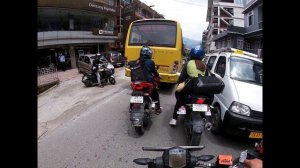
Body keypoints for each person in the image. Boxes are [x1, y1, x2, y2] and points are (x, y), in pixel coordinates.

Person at [169, 46, 208, 126]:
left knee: (179, 96)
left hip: (190, 87)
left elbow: (182, 77)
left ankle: (174, 119)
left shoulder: (188, 63)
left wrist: (179, 83)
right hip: (202, 88)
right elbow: (206, 78)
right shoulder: (204, 65)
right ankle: (203, 117)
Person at [138, 46, 162, 114]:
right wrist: (158, 76)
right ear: (148, 54)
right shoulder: (151, 62)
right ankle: (157, 109)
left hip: (137, 82)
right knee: (155, 94)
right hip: (148, 82)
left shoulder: (137, 61)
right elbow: (155, 72)